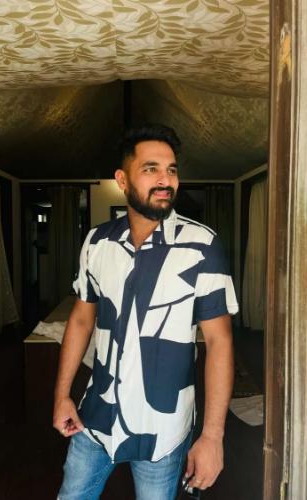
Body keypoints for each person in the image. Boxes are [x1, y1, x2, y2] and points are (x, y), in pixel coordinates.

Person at [53, 124, 238, 500]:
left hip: (163, 428)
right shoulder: (97, 242)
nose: (165, 180)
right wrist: (62, 395)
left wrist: (212, 436)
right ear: (122, 179)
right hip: (96, 415)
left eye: (171, 169)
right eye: (151, 169)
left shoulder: (202, 245)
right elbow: (81, 319)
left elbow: (219, 341)